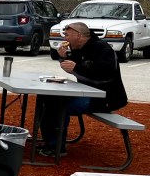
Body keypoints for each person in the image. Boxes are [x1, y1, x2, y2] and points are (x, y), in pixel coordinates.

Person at [37, 21, 127, 156]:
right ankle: (49, 142)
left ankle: (57, 147)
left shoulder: (103, 49)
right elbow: (75, 66)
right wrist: (63, 57)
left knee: (59, 105)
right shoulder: (78, 48)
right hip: (86, 93)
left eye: (67, 35)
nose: (65, 38)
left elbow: (105, 75)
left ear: (78, 35)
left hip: (105, 98)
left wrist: (77, 68)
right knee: (47, 98)